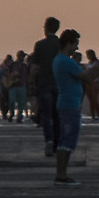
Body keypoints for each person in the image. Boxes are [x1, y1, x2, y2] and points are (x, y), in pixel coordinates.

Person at [50, 28, 86, 185]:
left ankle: (61, 175)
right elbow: (89, 77)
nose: (77, 48)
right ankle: (62, 176)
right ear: (68, 44)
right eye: (75, 44)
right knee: (68, 141)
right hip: (70, 105)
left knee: (65, 140)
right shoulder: (65, 61)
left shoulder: (59, 60)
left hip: (66, 103)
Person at [30, 16, 63, 150]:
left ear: (46, 28)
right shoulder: (61, 44)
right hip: (59, 84)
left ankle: (48, 140)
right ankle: (57, 142)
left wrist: (31, 82)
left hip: (44, 83)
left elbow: (35, 67)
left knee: (45, 115)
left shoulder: (40, 45)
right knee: (57, 116)